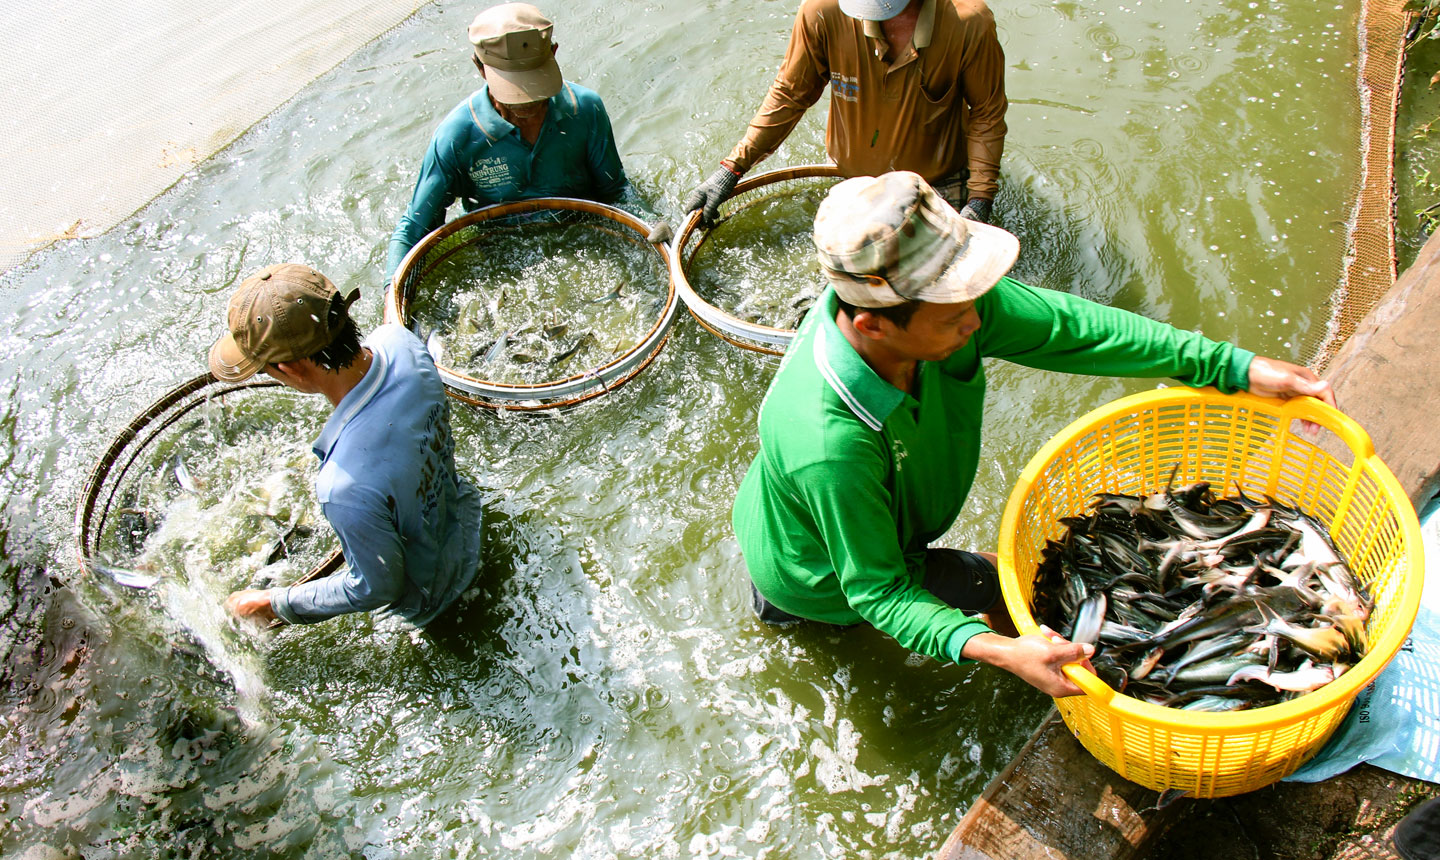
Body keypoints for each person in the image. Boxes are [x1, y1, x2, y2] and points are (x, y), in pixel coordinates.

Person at [730, 171, 1337, 697]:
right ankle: (1015, 663)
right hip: (815, 574)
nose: (979, 317)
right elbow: (879, 590)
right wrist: (998, 651)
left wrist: (1235, 368)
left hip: (854, 515)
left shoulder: (934, 315)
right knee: (989, 581)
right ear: (873, 326)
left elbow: (1073, 328)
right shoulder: (828, 443)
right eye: (954, 314)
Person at [214, 263, 483, 627]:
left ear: (291, 369)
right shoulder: (400, 341)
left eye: (266, 369)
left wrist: (272, 603)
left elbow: (375, 588)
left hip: (434, 598)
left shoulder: (342, 489)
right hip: (467, 521)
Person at [684, 0, 1006, 226]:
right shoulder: (823, 11)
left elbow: (986, 113)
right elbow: (789, 95)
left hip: (939, 177)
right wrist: (732, 168)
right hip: (854, 176)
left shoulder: (969, 22)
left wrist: (979, 199)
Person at [385, 3, 635, 284]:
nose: (527, 100)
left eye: (534, 85)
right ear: (480, 67)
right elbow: (414, 229)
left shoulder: (585, 110)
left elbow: (617, 191)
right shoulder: (457, 137)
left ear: (553, 53)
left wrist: (652, 226)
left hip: (587, 242)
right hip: (502, 262)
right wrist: (391, 304)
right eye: (514, 89)